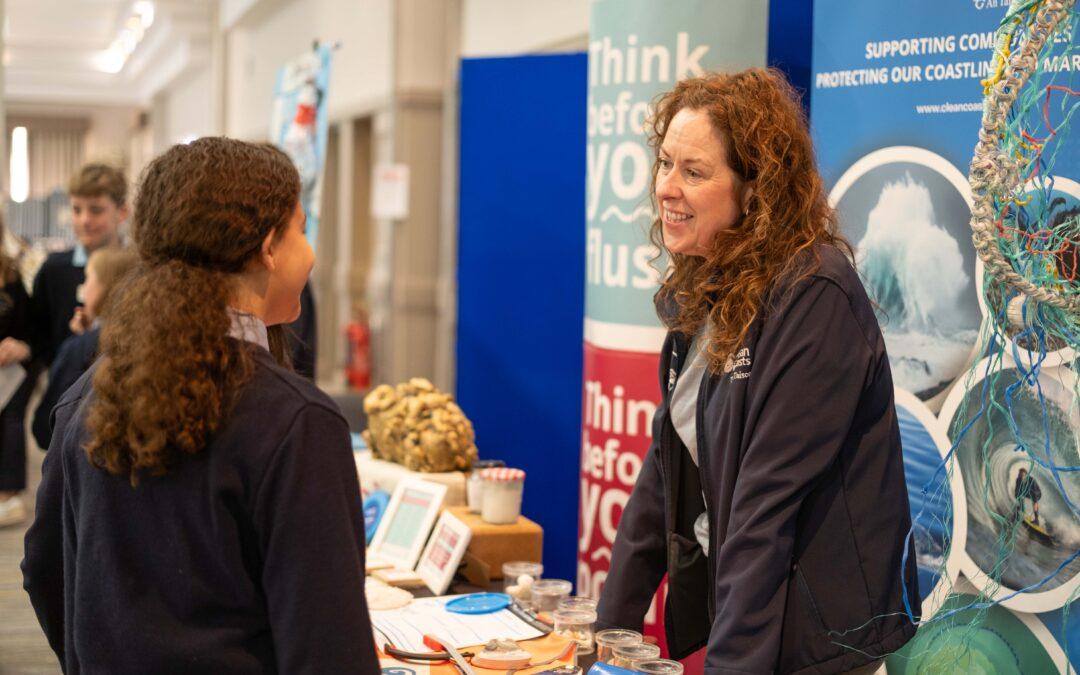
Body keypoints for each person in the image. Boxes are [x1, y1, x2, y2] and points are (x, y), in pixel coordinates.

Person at [597, 69, 919, 674]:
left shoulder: (814, 293)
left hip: (821, 640)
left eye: (694, 172)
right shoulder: (708, 282)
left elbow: (764, 506)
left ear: (756, 190)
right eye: (665, 163)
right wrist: (605, 637)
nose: (667, 187)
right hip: (756, 609)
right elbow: (665, 474)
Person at [23, 137, 378, 673]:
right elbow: (329, 649)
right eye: (303, 230)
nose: (311, 252)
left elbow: (44, 570)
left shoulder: (87, 396)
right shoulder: (298, 425)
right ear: (268, 247)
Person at [31, 247, 139, 450]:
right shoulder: (140, 341)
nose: (82, 286)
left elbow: (45, 427)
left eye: (88, 279)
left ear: (107, 288)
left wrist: (77, 344)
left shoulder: (78, 348)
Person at [29, 163, 128, 368]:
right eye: (76, 210)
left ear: (122, 212)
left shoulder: (137, 270)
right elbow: (37, 341)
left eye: (96, 210)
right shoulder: (53, 270)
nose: (84, 220)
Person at [0, 214, 32, 527]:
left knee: (11, 419)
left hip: (7, 373)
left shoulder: (10, 274)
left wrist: (20, 346)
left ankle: (8, 494)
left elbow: (30, 330)